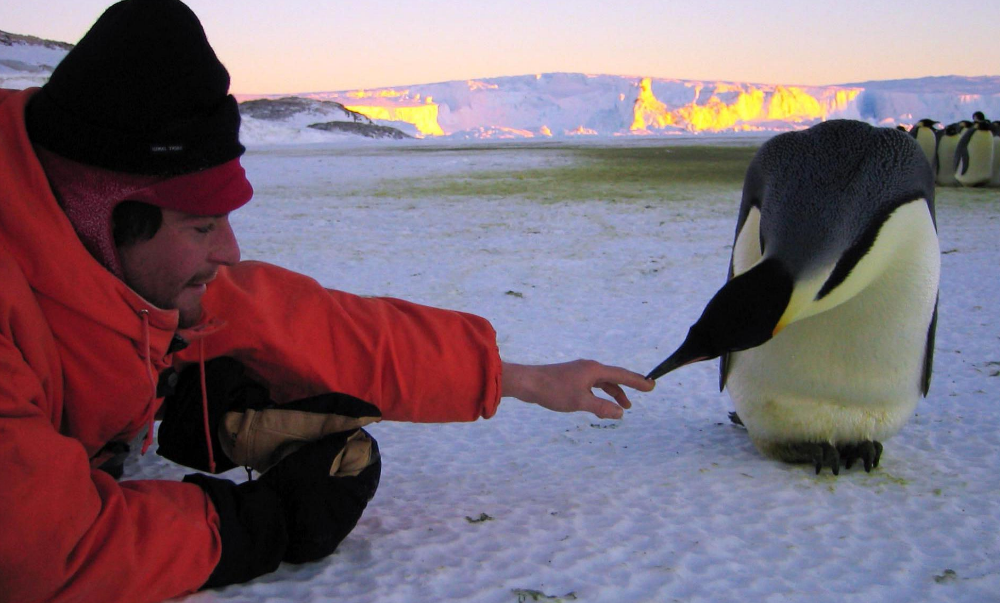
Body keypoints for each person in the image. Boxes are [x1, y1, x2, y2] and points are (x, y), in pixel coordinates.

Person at [0, 1, 653, 601]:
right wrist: (257, 525)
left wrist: (521, 378)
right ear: (103, 214)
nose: (229, 251)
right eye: (201, 225)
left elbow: (316, 329)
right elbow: (42, 554)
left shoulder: (109, 261)